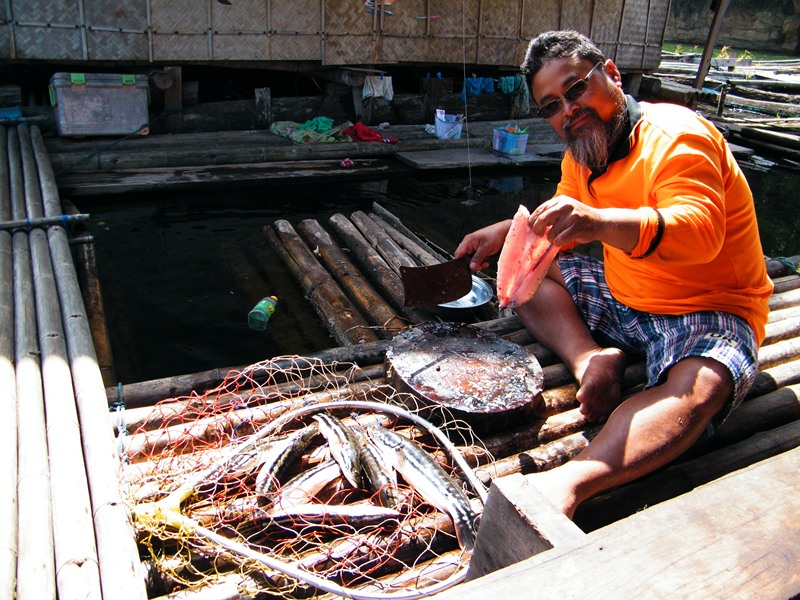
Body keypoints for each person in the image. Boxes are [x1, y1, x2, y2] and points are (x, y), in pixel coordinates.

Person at [454, 30, 773, 519]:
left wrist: (597, 222)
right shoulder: (582, 154)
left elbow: (700, 231)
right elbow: (562, 220)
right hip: (626, 294)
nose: (568, 110)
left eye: (576, 88)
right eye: (551, 105)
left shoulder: (677, 135)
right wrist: (508, 230)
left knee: (703, 384)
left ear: (612, 76)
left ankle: (572, 481)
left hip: (706, 308)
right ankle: (591, 359)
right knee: (524, 273)